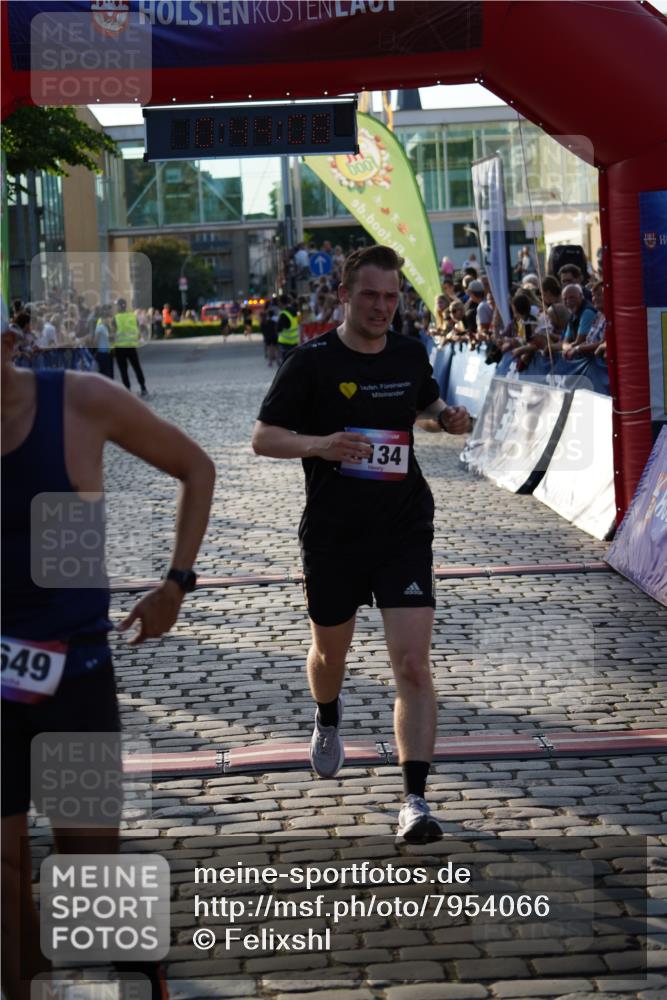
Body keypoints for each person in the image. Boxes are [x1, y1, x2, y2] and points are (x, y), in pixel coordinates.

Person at [1, 319, 216, 1000]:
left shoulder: (80, 400)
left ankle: (138, 975)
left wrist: (175, 584)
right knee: (3, 870)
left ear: (8, 343)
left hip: (75, 675)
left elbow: (195, 468)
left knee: (87, 869)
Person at [251, 245, 471, 844]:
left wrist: (446, 416)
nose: (382, 307)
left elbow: (423, 403)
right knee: (331, 658)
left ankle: (415, 800)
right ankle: (326, 716)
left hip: (403, 525)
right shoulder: (311, 361)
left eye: (392, 297)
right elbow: (263, 438)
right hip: (333, 534)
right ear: (344, 295)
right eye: (370, 295)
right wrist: (321, 445)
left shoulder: (407, 350)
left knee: (412, 664)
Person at [113, 298, 149, 397]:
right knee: (137, 367)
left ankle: (127, 390)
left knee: (123, 369)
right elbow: (138, 328)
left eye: (117, 305)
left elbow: (113, 332)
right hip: (131, 346)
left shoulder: (115, 318)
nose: (116, 307)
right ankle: (143, 387)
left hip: (120, 347)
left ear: (120, 306)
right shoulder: (133, 316)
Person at [276, 294, 300, 365]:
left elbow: (278, 329)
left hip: (285, 342)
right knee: (293, 361)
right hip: (294, 341)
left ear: (281, 302)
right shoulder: (294, 311)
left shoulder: (284, 314)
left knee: (286, 363)